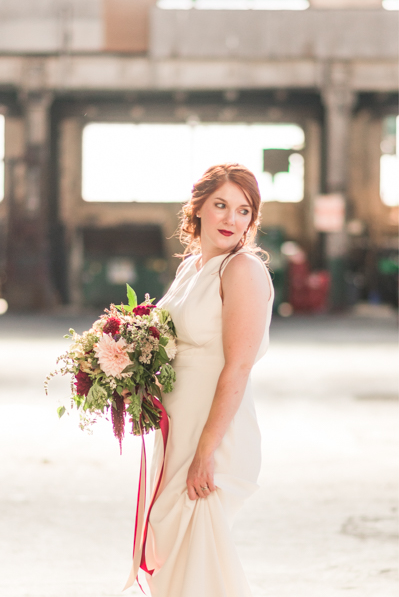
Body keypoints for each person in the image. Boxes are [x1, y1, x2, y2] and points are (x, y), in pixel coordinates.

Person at [124, 163, 274, 596]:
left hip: (213, 436)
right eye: (221, 205)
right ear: (199, 210)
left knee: (200, 564)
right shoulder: (191, 268)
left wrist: (206, 451)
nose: (231, 219)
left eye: (243, 210)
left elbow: (238, 367)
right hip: (176, 431)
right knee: (172, 555)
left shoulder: (242, 270)